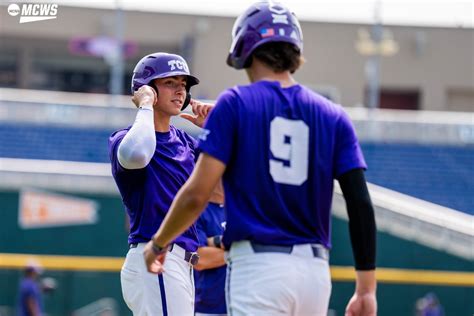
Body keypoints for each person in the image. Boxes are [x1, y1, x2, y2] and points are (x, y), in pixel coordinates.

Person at [144, 2, 377, 316]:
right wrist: (366, 289)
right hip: (314, 274)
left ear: (243, 48)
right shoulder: (333, 114)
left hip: (259, 269)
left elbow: (198, 193)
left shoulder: (236, 103)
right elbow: (360, 203)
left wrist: (159, 244)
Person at [108, 52, 213, 315]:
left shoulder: (186, 142)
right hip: (156, 257)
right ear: (148, 90)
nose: (181, 91)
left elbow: (235, 175)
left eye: (184, 85)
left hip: (182, 262)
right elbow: (138, 154)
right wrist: (144, 105)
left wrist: (215, 129)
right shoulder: (125, 140)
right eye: (170, 83)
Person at [193, 181, 227, 316]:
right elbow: (198, 259)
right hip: (208, 308)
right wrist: (239, 251)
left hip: (243, 301)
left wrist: (214, 242)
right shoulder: (195, 210)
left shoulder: (239, 208)